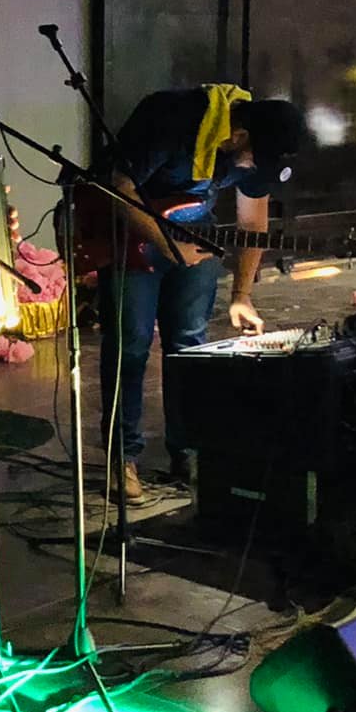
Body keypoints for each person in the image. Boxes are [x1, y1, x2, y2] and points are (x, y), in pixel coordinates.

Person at [91, 85, 306, 506]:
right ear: (238, 136)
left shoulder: (252, 148)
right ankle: (123, 458)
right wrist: (168, 246)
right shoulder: (172, 119)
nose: (253, 169)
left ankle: (187, 449)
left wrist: (242, 294)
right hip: (127, 234)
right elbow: (119, 187)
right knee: (130, 346)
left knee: (190, 347)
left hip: (194, 231)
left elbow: (253, 222)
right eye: (254, 159)